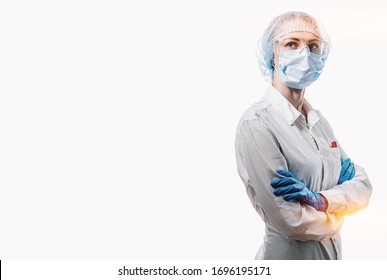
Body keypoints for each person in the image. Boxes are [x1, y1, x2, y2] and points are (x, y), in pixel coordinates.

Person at [234, 11, 372, 260]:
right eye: (291, 44)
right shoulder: (257, 124)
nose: (304, 54)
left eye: (313, 46)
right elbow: (290, 221)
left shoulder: (319, 123)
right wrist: (339, 212)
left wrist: (319, 200)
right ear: (272, 54)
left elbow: (363, 188)